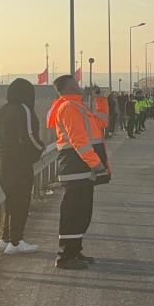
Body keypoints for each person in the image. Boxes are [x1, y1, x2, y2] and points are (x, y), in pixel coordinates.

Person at [47, 74, 106, 270]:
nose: (80, 85)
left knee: (82, 212)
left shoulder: (78, 106)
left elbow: (102, 123)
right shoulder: (69, 108)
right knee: (73, 212)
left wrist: (100, 99)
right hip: (76, 167)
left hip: (82, 168)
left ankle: (74, 251)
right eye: (76, 83)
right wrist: (95, 163)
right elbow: (78, 140)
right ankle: (65, 257)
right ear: (67, 88)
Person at [0, 78, 45, 255]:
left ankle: (4, 239)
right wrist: (41, 148)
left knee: (10, 200)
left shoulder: (3, 109)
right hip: (18, 163)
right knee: (21, 201)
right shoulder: (23, 109)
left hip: (1, 161)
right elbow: (29, 136)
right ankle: (16, 242)